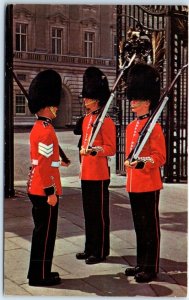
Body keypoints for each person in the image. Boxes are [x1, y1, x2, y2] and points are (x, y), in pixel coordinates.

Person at [124, 63, 166, 283]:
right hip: (133, 184)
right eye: (132, 99)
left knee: (150, 227)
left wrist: (143, 163)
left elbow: (160, 157)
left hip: (149, 184)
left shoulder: (154, 127)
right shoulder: (131, 127)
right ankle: (141, 263)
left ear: (147, 101)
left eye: (136, 99)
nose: (132, 103)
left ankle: (151, 267)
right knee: (139, 227)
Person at [27, 69, 65, 286]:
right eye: (54, 104)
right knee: (45, 235)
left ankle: (38, 272)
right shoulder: (46, 130)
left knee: (42, 233)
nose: (56, 108)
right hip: (44, 190)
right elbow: (43, 166)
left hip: (37, 187)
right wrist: (50, 192)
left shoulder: (39, 127)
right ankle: (40, 275)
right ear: (47, 105)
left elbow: (48, 160)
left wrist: (61, 161)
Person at [76, 67, 116, 264]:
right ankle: (89, 247)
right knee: (89, 213)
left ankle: (100, 251)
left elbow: (110, 148)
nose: (84, 100)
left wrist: (94, 151)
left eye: (87, 97)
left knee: (99, 215)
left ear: (96, 99)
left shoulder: (106, 121)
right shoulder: (86, 120)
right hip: (86, 173)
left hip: (99, 174)